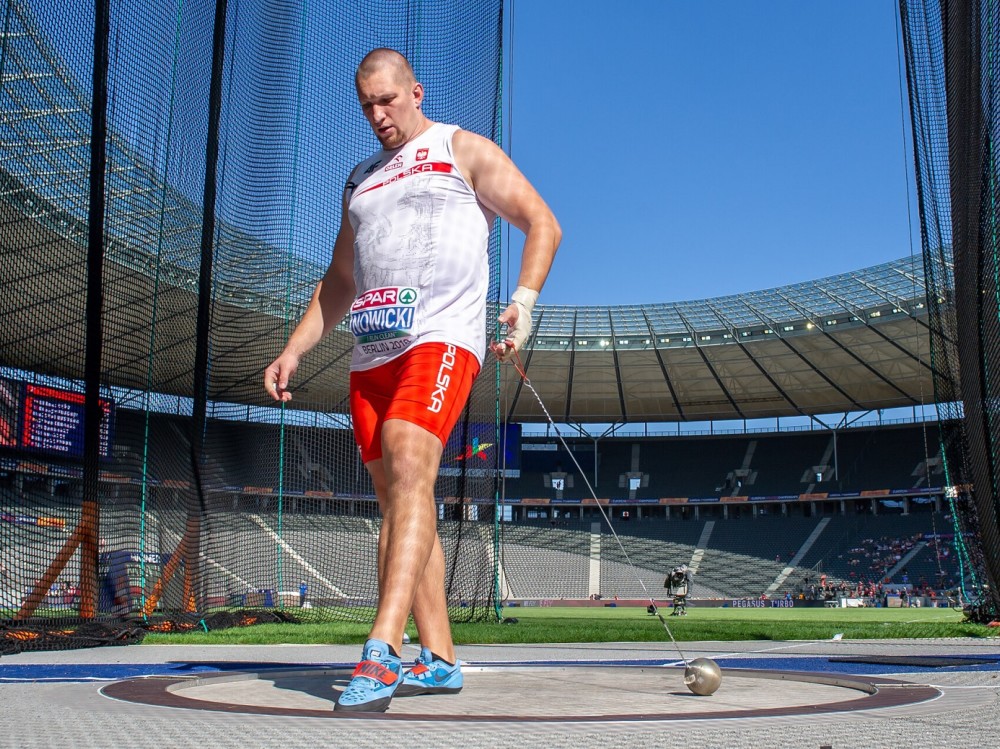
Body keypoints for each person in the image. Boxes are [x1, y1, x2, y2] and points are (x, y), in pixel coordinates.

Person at [263, 48, 560, 713]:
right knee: (401, 501)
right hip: (372, 357)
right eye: (366, 104)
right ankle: (442, 657)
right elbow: (340, 280)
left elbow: (543, 222)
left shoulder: (461, 148)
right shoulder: (359, 180)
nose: (377, 115)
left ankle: (381, 648)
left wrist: (525, 300)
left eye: (388, 100)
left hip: (442, 339)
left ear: (415, 91)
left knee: (407, 460)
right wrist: (293, 350)